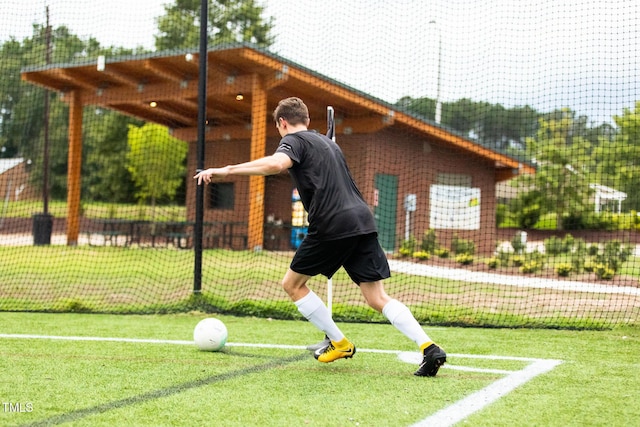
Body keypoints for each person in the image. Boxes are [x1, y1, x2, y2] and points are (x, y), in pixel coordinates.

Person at [194, 97, 446, 376]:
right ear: (308, 120)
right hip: (362, 219)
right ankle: (429, 347)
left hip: (331, 223)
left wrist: (226, 170)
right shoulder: (330, 145)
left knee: (292, 284)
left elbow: (277, 164)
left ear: (282, 123)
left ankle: (339, 342)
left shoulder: (294, 141)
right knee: (377, 298)